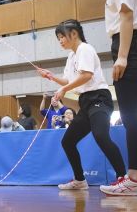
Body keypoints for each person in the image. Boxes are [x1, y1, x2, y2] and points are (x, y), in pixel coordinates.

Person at [38, 19, 126, 191]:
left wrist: (64, 89)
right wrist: (50, 76)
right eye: (58, 38)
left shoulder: (85, 49)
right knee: (68, 141)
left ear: (74, 34)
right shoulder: (71, 56)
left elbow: (86, 76)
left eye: (62, 36)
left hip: (99, 98)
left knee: (100, 135)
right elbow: (69, 80)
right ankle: (79, 180)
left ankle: (122, 177)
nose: (60, 41)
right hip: (85, 102)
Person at [93, 0, 137, 195]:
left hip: (130, 46)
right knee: (133, 115)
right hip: (136, 45)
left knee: (131, 114)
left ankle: (135, 178)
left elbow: (126, 17)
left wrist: (122, 56)